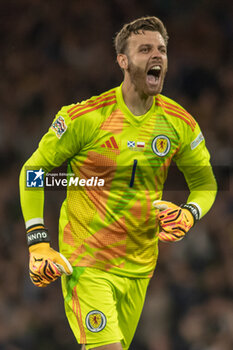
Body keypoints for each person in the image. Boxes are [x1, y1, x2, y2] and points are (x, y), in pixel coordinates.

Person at [19, 16, 217, 350]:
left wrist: (190, 213)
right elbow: (33, 172)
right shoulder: (86, 118)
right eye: (145, 49)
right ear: (123, 61)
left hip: (139, 268)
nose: (157, 56)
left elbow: (206, 183)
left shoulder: (179, 123)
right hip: (87, 264)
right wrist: (37, 242)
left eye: (162, 50)